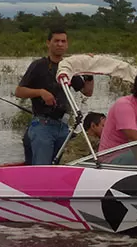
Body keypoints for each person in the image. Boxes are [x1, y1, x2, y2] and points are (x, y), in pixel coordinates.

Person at [15, 28, 94, 165]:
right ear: (48, 43)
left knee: (63, 167)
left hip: (63, 127)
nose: (60, 44)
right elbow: (19, 91)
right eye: (56, 41)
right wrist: (40, 92)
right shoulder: (38, 65)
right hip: (42, 125)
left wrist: (89, 72)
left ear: (67, 45)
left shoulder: (68, 68)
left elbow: (87, 92)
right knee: (42, 169)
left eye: (63, 41)